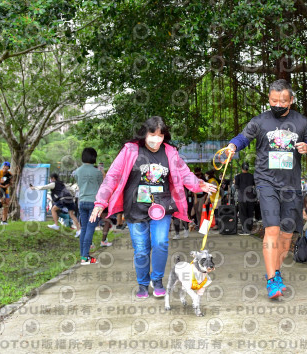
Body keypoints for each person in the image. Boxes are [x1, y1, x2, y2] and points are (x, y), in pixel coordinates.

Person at [89, 116, 216, 298]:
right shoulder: (130, 150)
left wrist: (199, 184)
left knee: (160, 243)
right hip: (135, 208)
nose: (156, 140)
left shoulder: (170, 152)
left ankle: (157, 280)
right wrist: (100, 202)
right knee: (141, 249)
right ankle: (142, 283)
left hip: (161, 207)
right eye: (152, 135)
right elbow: (112, 177)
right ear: (144, 133)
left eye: (161, 136)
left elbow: (184, 173)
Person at [227, 78, 307, 298]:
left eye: (283, 101)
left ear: (291, 100)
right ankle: (272, 280)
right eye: (274, 100)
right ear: (268, 99)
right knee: (272, 230)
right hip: (266, 182)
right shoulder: (260, 122)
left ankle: (276, 273)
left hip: (291, 186)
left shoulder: (302, 122)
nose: (278, 104)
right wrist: (232, 146)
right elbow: (242, 138)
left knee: (286, 237)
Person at [74, 148, 104, 264]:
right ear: (93, 157)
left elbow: (79, 183)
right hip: (94, 203)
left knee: (84, 229)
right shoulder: (97, 172)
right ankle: (85, 257)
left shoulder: (77, 171)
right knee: (90, 230)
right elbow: (101, 186)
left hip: (81, 202)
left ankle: (83, 256)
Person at [234, 162, 256, 235]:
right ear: (248, 168)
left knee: (243, 214)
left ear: (241, 168)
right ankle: (249, 229)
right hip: (251, 197)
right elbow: (254, 185)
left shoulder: (238, 176)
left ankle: (245, 230)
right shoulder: (252, 176)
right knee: (250, 213)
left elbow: (236, 187)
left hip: (242, 197)